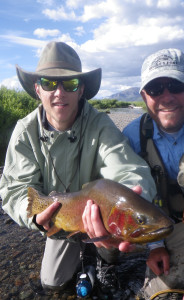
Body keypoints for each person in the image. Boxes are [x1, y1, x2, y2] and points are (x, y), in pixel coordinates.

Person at [0, 41, 156, 294]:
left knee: (116, 238)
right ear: (37, 89)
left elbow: (127, 168)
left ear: (81, 89)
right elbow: (15, 189)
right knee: (53, 283)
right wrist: (36, 219)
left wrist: (131, 201)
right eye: (49, 83)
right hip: (61, 222)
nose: (59, 92)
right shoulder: (24, 132)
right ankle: (85, 257)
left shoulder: (101, 125)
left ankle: (105, 261)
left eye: (69, 84)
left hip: (102, 221)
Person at [122, 48, 184, 299]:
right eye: (156, 89)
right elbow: (137, 202)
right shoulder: (132, 137)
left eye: (175, 86)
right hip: (173, 231)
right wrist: (155, 246)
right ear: (144, 96)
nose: (166, 97)